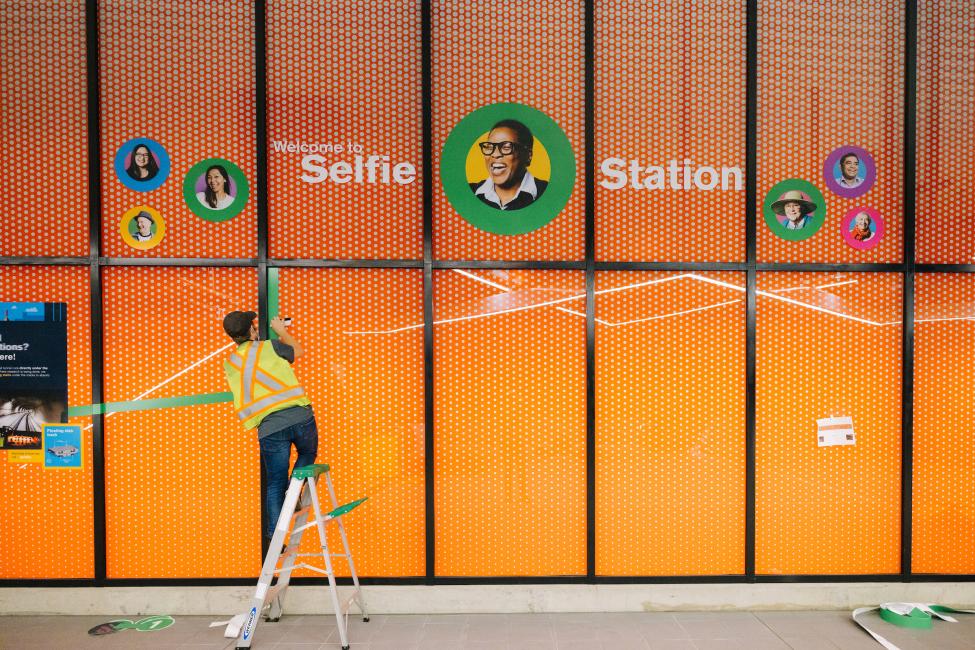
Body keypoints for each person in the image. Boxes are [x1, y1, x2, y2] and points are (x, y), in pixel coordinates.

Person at [222, 311, 317, 548]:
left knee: (275, 482)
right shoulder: (270, 346)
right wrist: (282, 331)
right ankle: (293, 494)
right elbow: (299, 351)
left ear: (233, 337)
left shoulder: (230, 363)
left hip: (269, 427)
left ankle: (275, 538)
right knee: (307, 454)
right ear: (253, 331)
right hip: (298, 416)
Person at [469, 119, 547, 210]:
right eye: (489, 147)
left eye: (506, 147)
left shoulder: (548, 193)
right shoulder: (468, 192)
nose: (495, 154)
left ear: (527, 156)